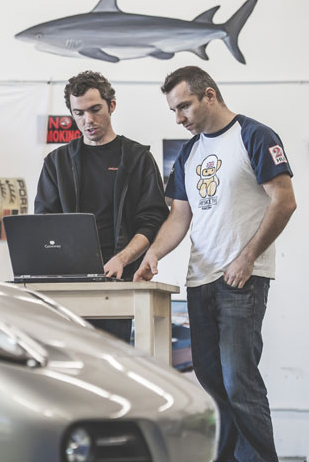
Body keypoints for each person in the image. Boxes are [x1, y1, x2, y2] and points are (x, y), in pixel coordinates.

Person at [134, 66, 296, 462]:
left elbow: (284, 201)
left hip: (242, 280)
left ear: (209, 95)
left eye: (184, 106)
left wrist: (247, 257)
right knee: (212, 383)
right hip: (200, 281)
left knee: (239, 383)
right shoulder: (189, 152)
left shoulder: (254, 135)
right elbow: (179, 217)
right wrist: (153, 253)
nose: (179, 118)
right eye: (173, 110)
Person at [35, 71, 169, 342]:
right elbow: (44, 223)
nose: (88, 120)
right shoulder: (57, 163)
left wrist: (122, 258)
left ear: (112, 105)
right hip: (67, 285)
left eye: (95, 110)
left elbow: (152, 220)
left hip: (119, 280)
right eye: (79, 113)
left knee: (112, 355)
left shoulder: (138, 159)